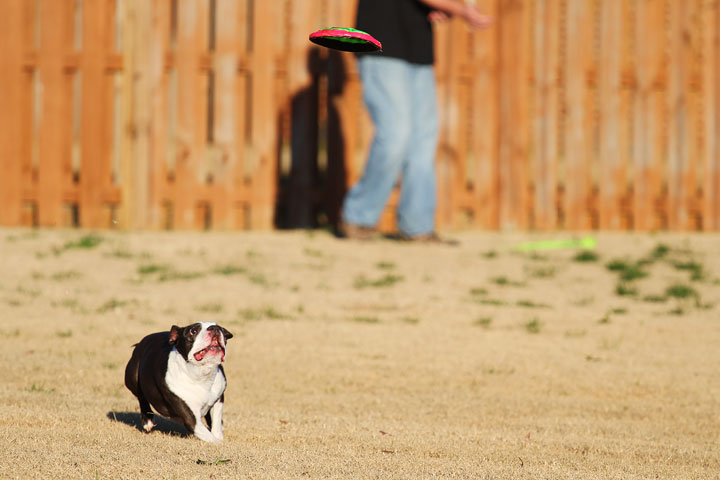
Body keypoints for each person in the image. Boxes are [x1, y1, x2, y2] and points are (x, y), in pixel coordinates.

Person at [339, 0, 491, 241]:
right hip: (382, 44)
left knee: (423, 140)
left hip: (417, 45)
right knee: (395, 134)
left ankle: (417, 226)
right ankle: (359, 217)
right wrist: (460, 9)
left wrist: (443, 7)